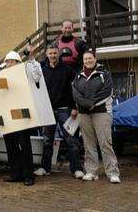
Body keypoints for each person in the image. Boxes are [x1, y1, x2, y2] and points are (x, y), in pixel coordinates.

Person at [34, 44, 84, 179]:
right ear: (46, 54)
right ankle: (45, 168)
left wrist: (75, 107)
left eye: (55, 53)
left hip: (65, 110)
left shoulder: (68, 70)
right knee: (47, 141)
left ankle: (76, 169)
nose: (53, 56)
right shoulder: (42, 71)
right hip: (48, 110)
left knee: (71, 140)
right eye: (50, 53)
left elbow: (76, 88)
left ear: (59, 53)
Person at [72, 50, 120, 184]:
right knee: (88, 144)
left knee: (105, 142)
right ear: (83, 61)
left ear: (95, 59)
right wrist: (85, 104)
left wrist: (91, 103)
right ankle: (91, 171)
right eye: (85, 59)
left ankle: (112, 172)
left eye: (90, 58)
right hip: (84, 114)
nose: (88, 61)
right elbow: (75, 93)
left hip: (101, 112)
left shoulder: (104, 73)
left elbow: (107, 91)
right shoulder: (78, 76)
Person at [2, 49, 41, 186]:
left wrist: (31, 59)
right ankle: (16, 173)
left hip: (22, 113)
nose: (10, 64)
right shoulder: (2, 75)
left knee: (24, 145)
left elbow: (37, 76)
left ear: (18, 62)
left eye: (12, 61)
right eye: (8, 62)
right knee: (11, 145)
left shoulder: (26, 72)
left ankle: (28, 175)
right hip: (7, 114)